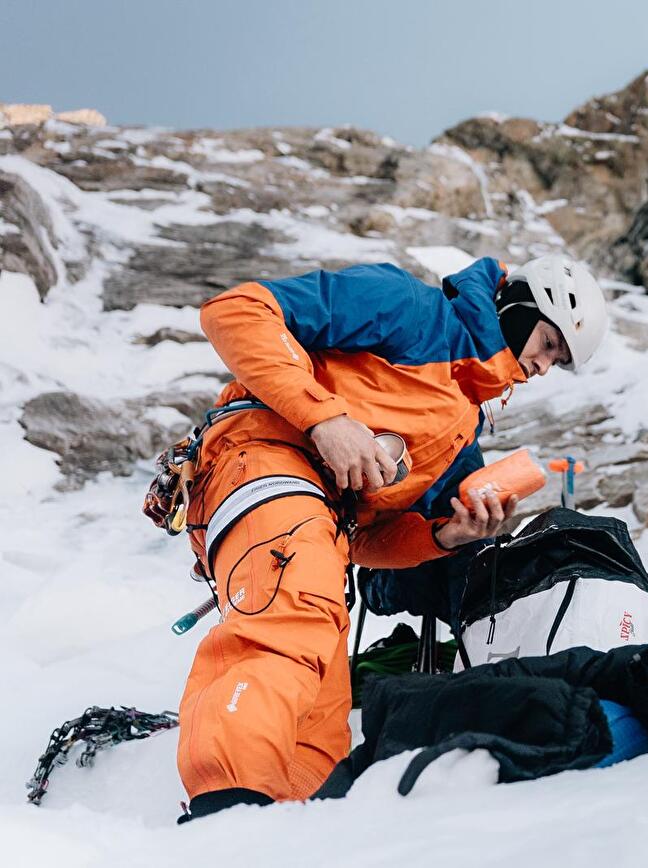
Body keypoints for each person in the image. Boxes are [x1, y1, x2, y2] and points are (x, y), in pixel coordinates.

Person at [175, 254, 608, 820]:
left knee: (320, 720)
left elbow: (367, 541)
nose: (545, 367)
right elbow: (236, 310)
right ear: (521, 306)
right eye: (550, 344)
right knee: (290, 633)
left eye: (560, 362)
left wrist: (444, 537)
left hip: (321, 528)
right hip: (262, 458)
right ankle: (222, 820)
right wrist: (324, 420)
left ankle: (279, 830)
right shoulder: (409, 308)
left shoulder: (462, 430)